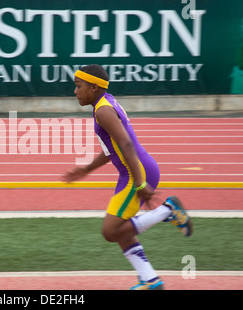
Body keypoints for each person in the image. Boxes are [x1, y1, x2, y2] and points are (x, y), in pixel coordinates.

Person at [62, 64, 193, 290]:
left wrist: (140, 182)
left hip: (136, 172)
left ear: (93, 87)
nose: (75, 91)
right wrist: (85, 170)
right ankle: (150, 279)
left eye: (78, 86)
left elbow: (126, 144)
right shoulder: (105, 102)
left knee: (110, 231)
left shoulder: (102, 111)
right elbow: (111, 150)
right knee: (123, 229)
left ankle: (167, 210)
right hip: (135, 171)